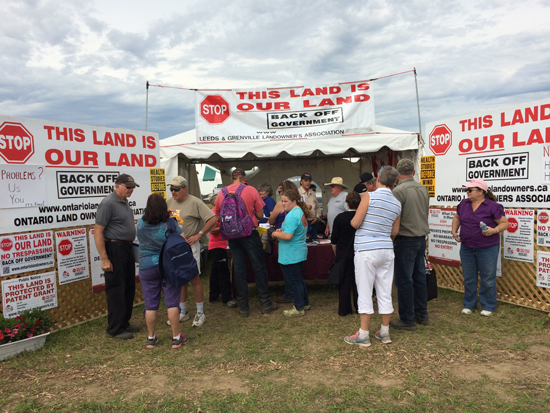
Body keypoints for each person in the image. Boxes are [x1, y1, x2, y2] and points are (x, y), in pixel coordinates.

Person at [344, 166, 401, 347]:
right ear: (394, 183)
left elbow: (355, 222)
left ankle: (363, 334)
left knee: (365, 290)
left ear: (378, 179)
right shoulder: (397, 202)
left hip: (366, 249)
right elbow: (395, 230)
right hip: (386, 248)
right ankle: (384, 332)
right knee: (385, 291)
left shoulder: (369, 196)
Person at [214, 168, 277, 318]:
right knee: (259, 268)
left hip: (232, 236)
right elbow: (260, 214)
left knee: (239, 270)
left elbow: (217, 215)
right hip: (249, 233)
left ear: (231, 179)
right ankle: (265, 304)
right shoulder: (251, 190)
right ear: (244, 178)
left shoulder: (222, 193)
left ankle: (243, 307)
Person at [166, 176, 218, 327]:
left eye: (176, 189)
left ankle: (200, 312)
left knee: (194, 278)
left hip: (190, 244)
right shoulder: (169, 202)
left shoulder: (195, 202)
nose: (173, 192)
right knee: (180, 278)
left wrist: (199, 235)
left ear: (184, 188)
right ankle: (183, 311)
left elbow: (213, 219)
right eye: (171, 189)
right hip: (175, 246)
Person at [137, 194, 187, 349]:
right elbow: (182, 239)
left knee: (150, 304)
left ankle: (151, 338)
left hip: (146, 266)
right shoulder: (170, 223)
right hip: (167, 265)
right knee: (172, 301)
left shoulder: (140, 223)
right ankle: (176, 337)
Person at [452, 178, 508, 316]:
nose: (467, 192)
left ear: (481, 191)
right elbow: (457, 217)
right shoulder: (464, 204)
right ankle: (469, 304)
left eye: (470, 190)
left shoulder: (492, 206)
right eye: (467, 190)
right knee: (468, 277)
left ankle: (488, 306)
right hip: (467, 247)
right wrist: (454, 230)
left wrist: (493, 230)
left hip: (487, 247)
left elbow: (504, 223)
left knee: (487, 278)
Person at [94, 173, 140, 340]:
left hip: (126, 247)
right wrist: (104, 258)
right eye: (128, 187)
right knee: (116, 288)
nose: (131, 190)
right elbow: (98, 232)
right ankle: (114, 328)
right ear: (117, 185)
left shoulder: (124, 202)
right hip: (114, 247)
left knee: (128, 286)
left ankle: (124, 322)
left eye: (132, 187)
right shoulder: (108, 203)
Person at [390, 158, 431, 331]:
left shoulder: (398, 191)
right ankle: (422, 314)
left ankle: (408, 319)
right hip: (421, 238)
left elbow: (395, 218)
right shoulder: (423, 189)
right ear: (413, 172)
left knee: (404, 281)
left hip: (405, 239)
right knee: (419, 278)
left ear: (398, 174)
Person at [271, 190, 312, 316]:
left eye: (285, 201)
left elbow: (288, 236)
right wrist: (281, 230)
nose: (283, 203)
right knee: (298, 279)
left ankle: (298, 307)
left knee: (294, 281)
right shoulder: (298, 212)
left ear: (294, 201)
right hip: (297, 251)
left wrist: (274, 233)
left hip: (291, 253)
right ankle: (305, 303)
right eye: (281, 200)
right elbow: (291, 231)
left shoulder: (292, 215)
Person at [269, 180, 300, 304]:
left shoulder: (280, 205)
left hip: (284, 239)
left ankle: (289, 294)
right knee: (295, 271)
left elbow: (271, 220)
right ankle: (295, 294)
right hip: (297, 241)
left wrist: (274, 232)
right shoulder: (298, 205)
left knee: (287, 268)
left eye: (281, 191)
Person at [331, 191, 361, 316]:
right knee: (359, 282)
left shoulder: (340, 218)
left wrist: (336, 253)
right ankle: (360, 308)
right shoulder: (362, 217)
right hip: (359, 252)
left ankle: (344, 309)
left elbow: (334, 240)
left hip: (343, 253)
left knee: (344, 282)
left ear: (347, 203)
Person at [208, 207, 237, 308]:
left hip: (220, 245)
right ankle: (227, 298)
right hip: (217, 245)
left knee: (215, 271)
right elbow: (212, 230)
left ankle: (213, 295)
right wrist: (227, 226)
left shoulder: (221, 212)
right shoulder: (214, 213)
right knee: (224, 271)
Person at [297, 173, 321, 239]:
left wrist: (317, 217)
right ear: (301, 181)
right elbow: (294, 208)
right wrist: (304, 207)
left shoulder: (312, 193)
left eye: (309, 181)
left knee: (314, 243)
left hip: (313, 223)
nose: (308, 182)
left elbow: (317, 207)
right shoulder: (297, 192)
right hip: (302, 224)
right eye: (306, 180)